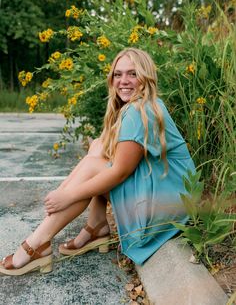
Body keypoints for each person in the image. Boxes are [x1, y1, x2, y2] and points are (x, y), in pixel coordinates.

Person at [0, 48, 195, 276]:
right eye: (117, 74)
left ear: (146, 77)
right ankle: (96, 227)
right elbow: (109, 155)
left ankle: (38, 242)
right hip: (175, 195)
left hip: (167, 205)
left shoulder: (138, 111)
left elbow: (120, 172)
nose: (123, 81)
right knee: (97, 148)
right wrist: (63, 193)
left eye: (132, 74)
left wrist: (69, 196)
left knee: (95, 167)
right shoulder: (144, 105)